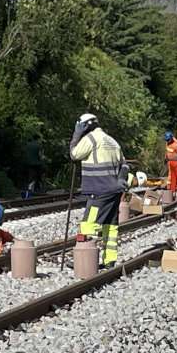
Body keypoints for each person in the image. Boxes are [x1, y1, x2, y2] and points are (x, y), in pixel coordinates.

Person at [70, 112, 125, 267]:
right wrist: (120, 180)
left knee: (88, 224)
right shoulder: (112, 141)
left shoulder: (91, 139)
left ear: (85, 126)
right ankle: (109, 260)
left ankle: (83, 261)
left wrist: (76, 136)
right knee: (110, 226)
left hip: (99, 190)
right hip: (115, 190)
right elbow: (125, 165)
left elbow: (74, 154)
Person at [163, 130, 177, 197]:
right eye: (166, 140)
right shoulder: (167, 143)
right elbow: (167, 152)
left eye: (168, 140)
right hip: (170, 162)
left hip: (176, 162)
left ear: (171, 138)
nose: (167, 141)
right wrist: (165, 159)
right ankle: (170, 190)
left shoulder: (176, 145)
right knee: (170, 176)